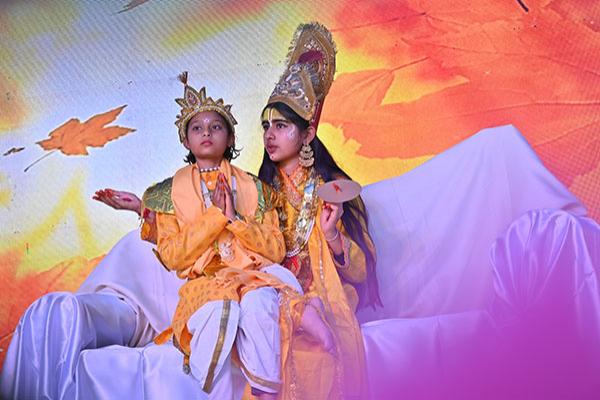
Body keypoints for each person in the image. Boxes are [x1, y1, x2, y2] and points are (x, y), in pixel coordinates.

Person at [257, 22, 380, 399]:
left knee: (312, 350)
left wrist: (331, 236)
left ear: (308, 134)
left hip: (325, 298)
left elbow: (362, 272)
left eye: (281, 126)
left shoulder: (334, 189)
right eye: (266, 126)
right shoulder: (259, 192)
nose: (269, 135)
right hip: (276, 297)